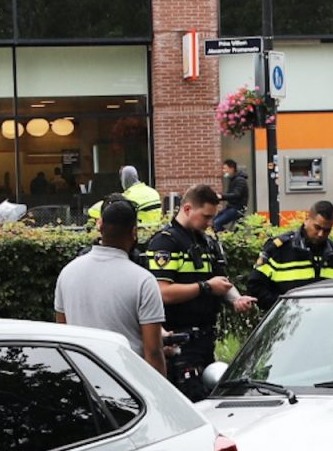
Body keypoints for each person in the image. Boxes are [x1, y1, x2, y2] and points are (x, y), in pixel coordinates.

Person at [146, 184, 256, 396]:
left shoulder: (208, 243)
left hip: (205, 341)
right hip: (178, 342)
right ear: (187, 209)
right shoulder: (165, 243)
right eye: (206, 216)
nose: (210, 223)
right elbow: (162, 292)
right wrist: (205, 287)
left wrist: (236, 299)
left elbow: (221, 282)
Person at [54, 198, 166, 373]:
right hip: (127, 381)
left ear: (100, 226)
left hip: (83, 379)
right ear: (134, 232)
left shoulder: (68, 273)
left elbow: (62, 335)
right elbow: (153, 352)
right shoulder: (143, 281)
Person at [245, 200, 333, 306]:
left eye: (326, 230)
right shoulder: (279, 250)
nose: (321, 234)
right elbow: (255, 286)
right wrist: (284, 307)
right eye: (317, 227)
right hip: (289, 320)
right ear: (307, 220)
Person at [86, 165, 164, 234]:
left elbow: (94, 210)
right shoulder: (153, 192)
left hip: (139, 233)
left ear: (124, 180)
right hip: (155, 231)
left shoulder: (129, 197)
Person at [214, 158, 251, 231]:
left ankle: (227, 239)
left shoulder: (240, 180)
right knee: (213, 222)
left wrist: (221, 196)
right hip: (231, 207)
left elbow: (236, 194)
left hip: (237, 209)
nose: (223, 171)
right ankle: (227, 236)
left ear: (232, 169)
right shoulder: (233, 179)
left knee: (216, 223)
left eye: (225, 168)